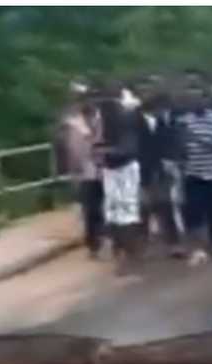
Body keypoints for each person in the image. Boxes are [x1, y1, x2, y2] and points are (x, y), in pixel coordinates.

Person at [176, 82, 212, 266]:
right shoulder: (184, 121)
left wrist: (195, 138)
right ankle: (198, 249)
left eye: (199, 98)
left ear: (206, 100)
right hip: (193, 173)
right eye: (191, 99)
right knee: (195, 214)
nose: (195, 102)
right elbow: (181, 148)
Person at [97, 83, 146, 273]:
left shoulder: (125, 117)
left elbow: (129, 148)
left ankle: (128, 254)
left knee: (126, 210)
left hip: (125, 168)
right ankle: (122, 252)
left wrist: (103, 150)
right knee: (113, 211)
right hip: (112, 168)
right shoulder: (105, 118)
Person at [55, 90, 103, 258]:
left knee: (103, 208)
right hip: (84, 172)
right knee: (90, 209)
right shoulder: (72, 124)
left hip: (105, 170)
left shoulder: (103, 119)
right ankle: (93, 244)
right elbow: (64, 148)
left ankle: (104, 237)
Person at [139, 91, 184, 258]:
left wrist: (170, 161)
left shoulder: (162, 123)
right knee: (144, 209)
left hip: (161, 171)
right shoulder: (136, 123)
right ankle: (140, 246)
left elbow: (169, 145)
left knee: (166, 207)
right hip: (143, 172)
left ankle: (174, 244)